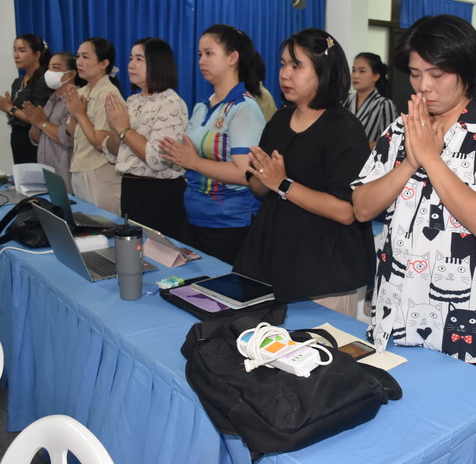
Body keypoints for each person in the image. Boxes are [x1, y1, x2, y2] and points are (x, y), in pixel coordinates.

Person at [352, 15, 476, 364]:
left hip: (460, 318)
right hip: (393, 308)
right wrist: (410, 162)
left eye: (437, 74)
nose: (424, 87)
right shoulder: (401, 129)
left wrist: (431, 159)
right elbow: (362, 207)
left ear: (465, 70)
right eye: (415, 74)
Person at [232, 29, 375, 315]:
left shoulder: (343, 128)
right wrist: (264, 176)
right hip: (274, 260)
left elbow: (346, 211)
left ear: (324, 72)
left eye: (297, 66)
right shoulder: (279, 119)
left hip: (324, 272)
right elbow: (260, 189)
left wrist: (283, 183)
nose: (285, 74)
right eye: (283, 64)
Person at [159, 25, 265, 265]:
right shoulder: (202, 106)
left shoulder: (244, 108)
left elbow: (245, 173)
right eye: (200, 54)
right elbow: (190, 160)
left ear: (233, 58)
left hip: (229, 225)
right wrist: (176, 155)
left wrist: (193, 161)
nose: (201, 61)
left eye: (209, 53)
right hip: (194, 218)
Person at [102, 38, 188, 240]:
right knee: (132, 249)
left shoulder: (171, 103)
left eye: (139, 59)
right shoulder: (132, 100)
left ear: (157, 63)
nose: (131, 65)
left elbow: (157, 158)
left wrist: (124, 128)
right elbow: (114, 152)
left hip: (158, 194)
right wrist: (115, 127)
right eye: (131, 58)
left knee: (159, 253)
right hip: (131, 188)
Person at [61, 37, 123, 214]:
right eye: (78, 56)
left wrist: (80, 113)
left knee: (105, 224)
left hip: (100, 172)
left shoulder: (108, 93)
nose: (79, 62)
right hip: (80, 169)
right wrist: (74, 115)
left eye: (85, 57)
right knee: (85, 224)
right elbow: (71, 136)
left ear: (104, 63)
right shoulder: (82, 91)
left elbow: (100, 143)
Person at [0, 34, 53, 164]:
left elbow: (37, 118)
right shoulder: (17, 82)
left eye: (22, 51)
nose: (16, 55)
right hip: (17, 137)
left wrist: (9, 107)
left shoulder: (44, 80)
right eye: (14, 50)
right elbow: (15, 116)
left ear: (36, 55)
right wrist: (7, 109)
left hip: (35, 138)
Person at [21, 52, 80, 190]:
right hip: (47, 173)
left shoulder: (76, 99)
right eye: (49, 67)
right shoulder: (50, 100)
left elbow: (68, 138)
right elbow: (36, 139)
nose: (49, 72)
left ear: (71, 74)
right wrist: (36, 123)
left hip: (66, 176)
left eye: (56, 68)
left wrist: (42, 123)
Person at [343, 52, 397, 147]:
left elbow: (390, 140)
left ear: (376, 76)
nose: (355, 75)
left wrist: (360, 146)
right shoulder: (345, 100)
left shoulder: (383, 104)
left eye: (362, 71)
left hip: (368, 156)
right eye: (353, 70)